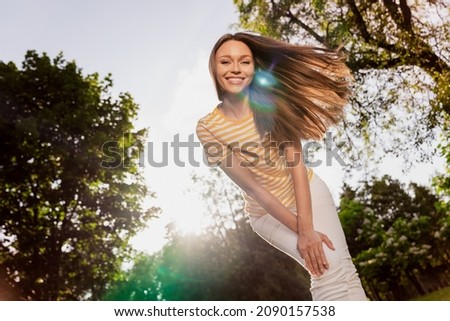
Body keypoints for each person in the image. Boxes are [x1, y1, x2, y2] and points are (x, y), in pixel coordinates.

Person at [196, 32, 366, 301]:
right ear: (214, 69)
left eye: (245, 62)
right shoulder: (207, 127)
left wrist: (308, 227)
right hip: (267, 215)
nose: (236, 69)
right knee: (327, 265)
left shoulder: (271, 101)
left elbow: (296, 163)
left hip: (308, 191)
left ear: (254, 67)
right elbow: (254, 190)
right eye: (226, 62)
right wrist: (302, 231)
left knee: (343, 269)